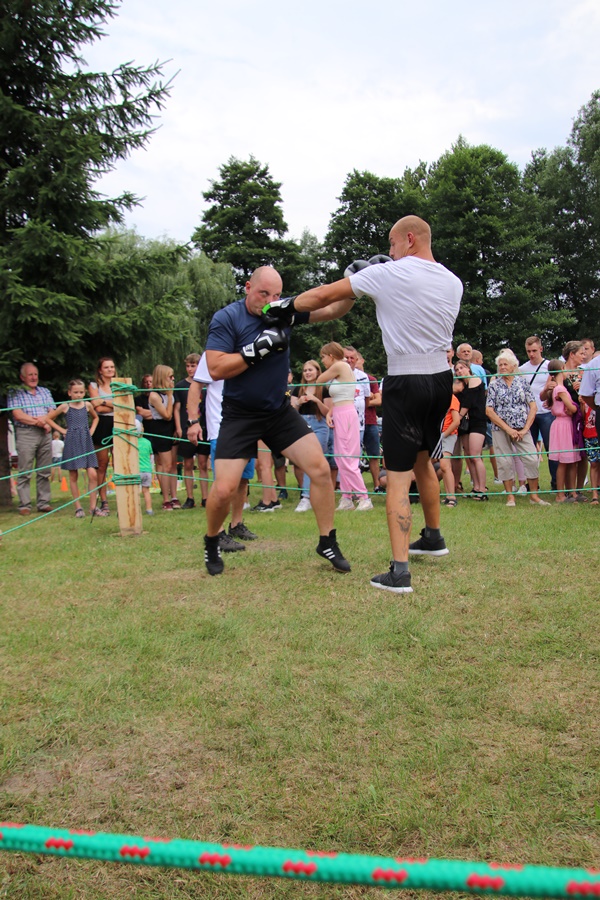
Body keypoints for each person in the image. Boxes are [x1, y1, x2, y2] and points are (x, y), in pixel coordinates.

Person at [275, 216, 463, 594]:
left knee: (398, 475)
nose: (389, 252)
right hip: (441, 380)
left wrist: (282, 306)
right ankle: (433, 536)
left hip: (406, 380)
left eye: (392, 244)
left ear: (409, 239)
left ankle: (400, 572)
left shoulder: (390, 273)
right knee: (424, 459)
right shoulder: (452, 280)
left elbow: (325, 295)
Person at [199, 265, 353, 576]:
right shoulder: (227, 318)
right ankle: (212, 541)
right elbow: (215, 368)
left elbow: (332, 309)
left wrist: (355, 287)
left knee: (320, 469)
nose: (270, 301)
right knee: (224, 489)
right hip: (240, 415)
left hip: (278, 411)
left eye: (277, 295)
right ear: (247, 288)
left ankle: (327, 541)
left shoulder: (283, 312)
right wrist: (257, 350)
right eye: (263, 294)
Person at [187, 351, 257, 551]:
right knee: (223, 483)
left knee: (243, 479)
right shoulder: (212, 354)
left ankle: (236, 524)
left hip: (247, 426)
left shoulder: (251, 351)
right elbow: (196, 386)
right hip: (222, 428)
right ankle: (216, 533)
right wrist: (193, 421)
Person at [485, 350, 550, 507]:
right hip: (500, 429)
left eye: (505, 364)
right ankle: (510, 496)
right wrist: (508, 429)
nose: (502, 367)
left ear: (513, 366)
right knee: (504, 461)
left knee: (532, 458)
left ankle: (534, 495)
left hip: (522, 428)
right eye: (500, 365)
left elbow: (533, 406)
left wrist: (525, 428)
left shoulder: (522, 382)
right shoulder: (494, 385)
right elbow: (489, 410)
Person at [317, 343, 373, 511]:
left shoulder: (340, 366)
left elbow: (319, 380)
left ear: (331, 356)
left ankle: (364, 498)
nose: (322, 361)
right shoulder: (339, 370)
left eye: (323, 357)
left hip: (346, 415)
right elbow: (341, 396)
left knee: (348, 457)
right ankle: (346, 497)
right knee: (340, 457)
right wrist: (330, 412)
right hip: (340, 413)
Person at [46, 379, 101, 517]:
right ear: (69, 393)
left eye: (81, 392)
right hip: (72, 441)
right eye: (75, 392)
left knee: (93, 474)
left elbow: (96, 418)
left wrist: (91, 431)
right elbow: (48, 419)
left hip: (86, 441)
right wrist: (63, 431)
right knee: (73, 474)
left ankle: (93, 507)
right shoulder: (65, 406)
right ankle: (78, 508)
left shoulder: (87, 405)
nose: (78, 395)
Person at [7, 363, 56, 514]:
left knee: (44, 470)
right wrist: (40, 422)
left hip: (45, 434)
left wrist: (45, 422)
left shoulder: (44, 391)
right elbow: (18, 415)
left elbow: (53, 411)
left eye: (35, 374)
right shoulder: (15, 392)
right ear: (22, 377)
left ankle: (43, 503)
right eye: (30, 375)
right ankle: (25, 505)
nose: (34, 377)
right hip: (26, 433)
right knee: (25, 470)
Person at [291, 359, 331, 513]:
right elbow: (290, 412)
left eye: (310, 370)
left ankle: (307, 497)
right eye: (305, 370)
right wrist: (299, 403)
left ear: (317, 371)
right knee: (304, 462)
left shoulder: (324, 389)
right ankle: (308, 495)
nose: (307, 373)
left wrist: (316, 401)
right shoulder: (298, 389)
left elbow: (328, 412)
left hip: (320, 425)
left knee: (315, 461)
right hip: (302, 425)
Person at [518, 336, 556, 490]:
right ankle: (533, 484)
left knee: (552, 450)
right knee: (528, 451)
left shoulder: (549, 366)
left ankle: (556, 483)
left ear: (541, 349)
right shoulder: (522, 369)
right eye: (528, 351)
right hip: (529, 415)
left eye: (534, 350)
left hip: (547, 412)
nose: (531, 354)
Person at [174, 353, 208, 509]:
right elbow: (177, 409)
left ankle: (205, 497)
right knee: (188, 464)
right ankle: (189, 498)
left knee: (203, 464)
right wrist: (179, 428)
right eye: (187, 366)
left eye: (193, 366)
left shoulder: (206, 385)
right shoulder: (180, 386)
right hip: (186, 428)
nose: (190, 369)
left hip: (204, 428)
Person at [547, 359, 581, 503]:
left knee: (571, 460)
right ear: (561, 369)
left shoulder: (560, 388)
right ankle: (560, 494)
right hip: (562, 425)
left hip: (567, 424)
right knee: (563, 461)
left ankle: (572, 492)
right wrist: (574, 406)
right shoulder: (560, 389)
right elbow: (572, 408)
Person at [454, 360, 488, 499]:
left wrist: (458, 418)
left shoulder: (474, 380)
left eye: (462, 368)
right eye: (457, 370)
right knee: (469, 456)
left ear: (468, 368)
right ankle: (476, 488)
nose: (459, 371)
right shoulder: (462, 384)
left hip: (477, 422)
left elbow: (467, 403)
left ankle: (482, 489)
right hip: (465, 424)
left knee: (475, 455)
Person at [146, 364, 179, 511]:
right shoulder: (154, 395)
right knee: (166, 466)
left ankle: (174, 496)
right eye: (170, 376)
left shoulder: (168, 393)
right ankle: (166, 499)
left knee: (173, 464)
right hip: (160, 428)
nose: (173, 379)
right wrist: (170, 396)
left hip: (171, 428)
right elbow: (166, 415)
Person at [89, 357, 116, 515]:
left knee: (119, 462)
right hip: (102, 425)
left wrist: (104, 402)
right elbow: (96, 407)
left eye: (112, 367)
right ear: (100, 370)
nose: (110, 369)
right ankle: (103, 499)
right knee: (102, 464)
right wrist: (114, 404)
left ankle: (122, 497)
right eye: (106, 367)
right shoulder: (94, 386)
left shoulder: (118, 384)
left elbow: (123, 404)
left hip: (117, 423)